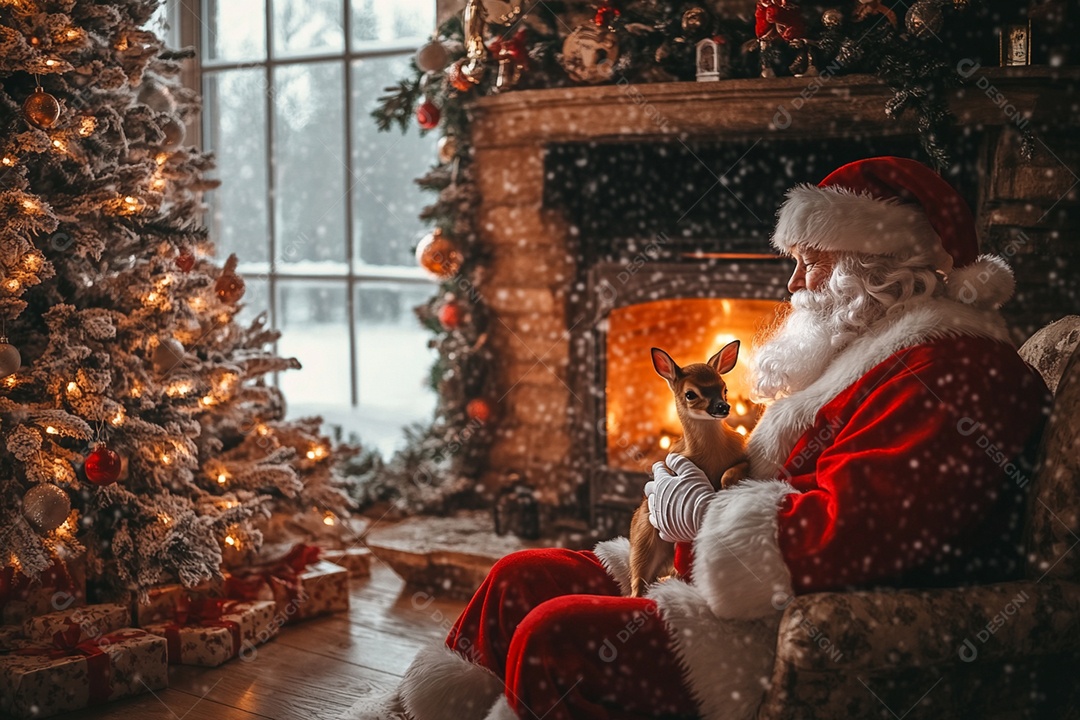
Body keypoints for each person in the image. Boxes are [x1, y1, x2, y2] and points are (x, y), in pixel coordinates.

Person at [350, 157, 1050, 720]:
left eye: (814, 259)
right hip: (722, 581)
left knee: (556, 634)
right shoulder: (870, 350)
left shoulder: (955, 372)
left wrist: (703, 515)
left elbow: (863, 534)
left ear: (889, 263)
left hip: (778, 625)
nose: (796, 282)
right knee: (516, 578)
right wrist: (699, 498)